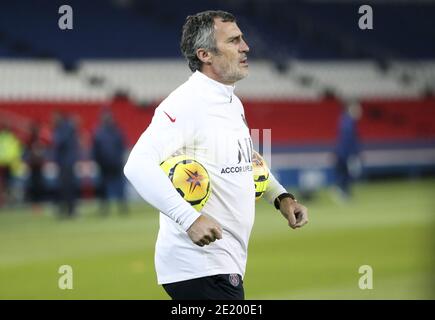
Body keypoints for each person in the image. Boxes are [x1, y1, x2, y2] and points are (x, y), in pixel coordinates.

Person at [124, 10, 309, 300]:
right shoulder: (187, 103)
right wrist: (189, 219)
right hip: (200, 265)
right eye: (234, 40)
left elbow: (245, 159)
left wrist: (281, 197)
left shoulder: (232, 102)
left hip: (221, 263)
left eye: (242, 38)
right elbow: (136, 165)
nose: (246, 47)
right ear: (205, 54)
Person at [92, 111, 128, 215]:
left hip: (115, 164)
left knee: (119, 187)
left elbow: (122, 146)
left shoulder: (114, 131)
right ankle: (105, 208)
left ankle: (122, 207)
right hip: (104, 165)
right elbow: (95, 149)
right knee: (104, 188)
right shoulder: (100, 132)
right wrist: (98, 161)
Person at [334, 99, 362, 201]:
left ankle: (343, 193)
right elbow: (348, 140)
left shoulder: (345, 120)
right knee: (346, 175)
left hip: (343, 152)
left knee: (345, 174)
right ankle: (342, 193)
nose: (359, 111)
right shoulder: (348, 122)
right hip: (346, 153)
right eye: (357, 108)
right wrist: (353, 154)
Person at [52, 112, 79, 218]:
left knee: (66, 187)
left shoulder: (63, 129)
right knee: (67, 187)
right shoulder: (68, 128)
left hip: (66, 163)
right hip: (67, 162)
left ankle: (69, 210)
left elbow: (59, 142)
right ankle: (68, 209)